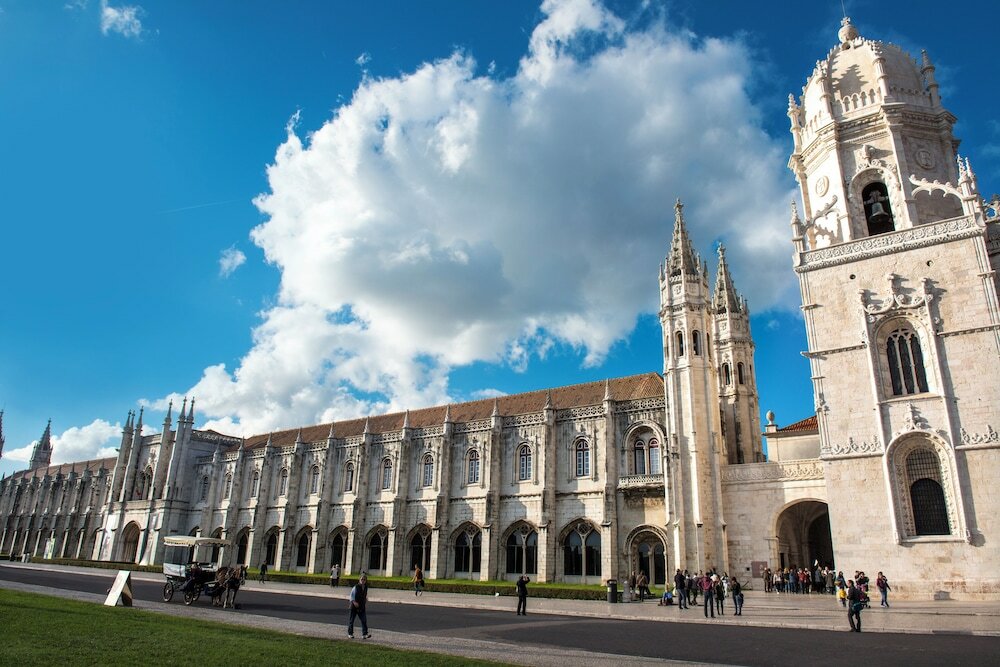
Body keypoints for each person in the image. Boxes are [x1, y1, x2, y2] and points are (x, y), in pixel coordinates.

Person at [348, 573, 371, 639]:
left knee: (364, 620)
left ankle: (365, 634)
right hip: (354, 607)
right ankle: (350, 633)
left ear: (366, 580)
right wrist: (354, 602)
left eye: (364, 579)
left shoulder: (366, 587)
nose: (363, 581)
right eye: (361, 579)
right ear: (359, 580)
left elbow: (364, 595)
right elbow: (351, 596)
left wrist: (365, 599)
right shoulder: (356, 587)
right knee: (351, 621)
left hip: (361, 606)